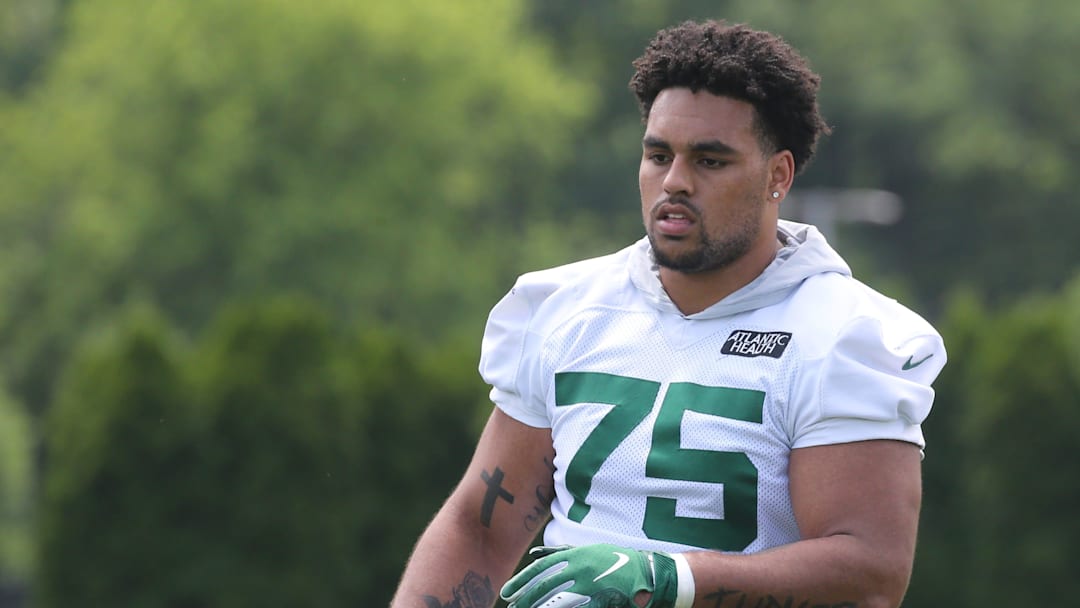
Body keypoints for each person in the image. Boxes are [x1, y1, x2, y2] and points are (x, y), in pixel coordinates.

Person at [391, 19, 946, 608]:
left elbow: (869, 571)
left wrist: (671, 579)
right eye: (658, 155)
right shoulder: (567, 309)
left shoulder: (841, 334)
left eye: (710, 161)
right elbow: (480, 531)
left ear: (777, 175)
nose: (674, 182)